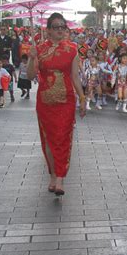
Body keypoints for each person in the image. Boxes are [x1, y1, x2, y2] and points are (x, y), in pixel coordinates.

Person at [27, 13, 86, 196]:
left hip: (66, 101)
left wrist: (82, 99)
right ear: (48, 30)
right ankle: (53, 174)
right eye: (56, 27)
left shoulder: (72, 49)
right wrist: (31, 58)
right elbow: (30, 76)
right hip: (45, 102)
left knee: (62, 138)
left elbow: (75, 77)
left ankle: (60, 177)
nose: (60, 30)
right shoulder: (39, 49)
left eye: (63, 27)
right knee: (48, 140)